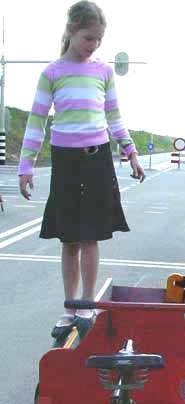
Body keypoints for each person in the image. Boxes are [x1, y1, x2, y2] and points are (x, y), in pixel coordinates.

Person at [18, 1, 145, 342]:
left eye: (99, 40)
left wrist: (131, 152)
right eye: (89, 38)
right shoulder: (52, 73)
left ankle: (87, 303)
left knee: (91, 235)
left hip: (98, 159)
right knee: (69, 238)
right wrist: (26, 166)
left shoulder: (103, 72)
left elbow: (114, 117)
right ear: (71, 31)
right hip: (66, 161)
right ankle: (71, 305)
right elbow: (36, 122)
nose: (94, 45)